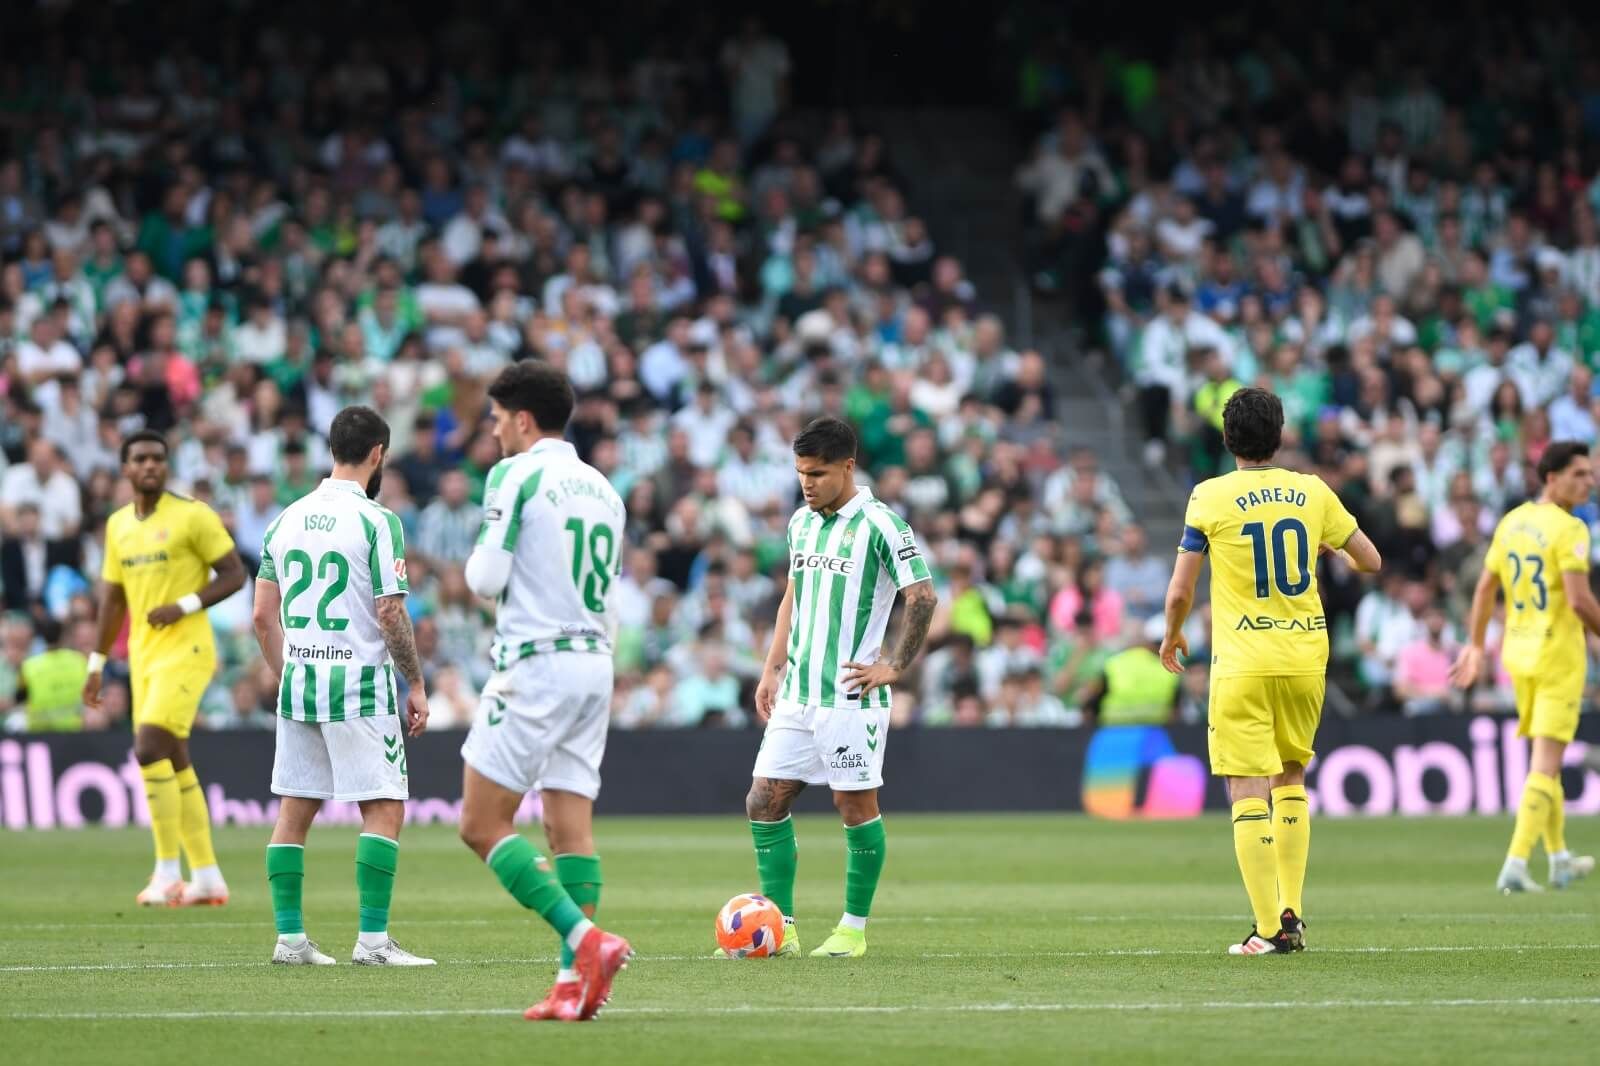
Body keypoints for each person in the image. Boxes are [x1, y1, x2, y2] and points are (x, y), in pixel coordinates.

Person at [1159, 387, 1381, 955]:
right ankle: (1292, 913)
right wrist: (1325, 547)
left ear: (1226, 438)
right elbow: (1371, 560)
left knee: (1245, 787)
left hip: (1243, 661)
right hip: (1305, 657)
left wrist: (1173, 632)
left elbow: (1181, 589)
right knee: (1291, 776)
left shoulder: (1209, 496)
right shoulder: (1313, 492)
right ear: (1280, 437)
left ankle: (1267, 929)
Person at [457, 361, 633, 1023]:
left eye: (498, 419)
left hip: (536, 664)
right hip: (594, 663)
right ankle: (572, 986)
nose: (494, 431)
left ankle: (587, 942)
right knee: (568, 828)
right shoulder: (604, 489)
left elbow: (484, 578)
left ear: (523, 420)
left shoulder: (515, 474)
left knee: (481, 824)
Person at [744, 415, 938, 959]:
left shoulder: (883, 525)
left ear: (848, 466)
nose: (806, 484)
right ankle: (779, 930)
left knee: (852, 805)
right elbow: (794, 593)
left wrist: (895, 666)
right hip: (798, 693)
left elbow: (922, 596)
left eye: (818, 474)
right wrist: (772, 666)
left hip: (850, 697)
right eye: (801, 473)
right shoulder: (800, 523)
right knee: (763, 801)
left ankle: (852, 930)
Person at [250, 405, 434, 966]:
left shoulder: (285, 520)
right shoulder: (377, 521)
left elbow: (261, 617)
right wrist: (416, 684)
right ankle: (373, 942)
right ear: (378, 453)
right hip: (359, 686)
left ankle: (290, 940)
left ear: (332, 449)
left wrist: (289, 672)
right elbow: (389, 611)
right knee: (384, 807)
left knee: (294, 810)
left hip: (300, 684)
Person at [84, 430, 247, 905]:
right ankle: (207, 877)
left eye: (157, 458)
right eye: (140, 459)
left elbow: (235, 573)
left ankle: (166, 872)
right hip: (144, 655)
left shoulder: (193, 515)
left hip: (188, 650)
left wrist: (184, 605)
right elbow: (112, 599)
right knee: (174, 758)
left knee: (149, 745)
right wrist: (96, 662)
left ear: (167, 465)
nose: (150, 465)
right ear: (125, 468)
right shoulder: (118, 525)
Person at [1450, 440, 1598, 892]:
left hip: (1518, 654)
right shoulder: (1570, 529)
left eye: (1590, 473)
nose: (1589, 481)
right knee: (1546, 762)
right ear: (1551, 478)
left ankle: (1558, 858)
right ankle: (1515, 863)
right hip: (1556, 657)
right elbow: (1580, 601)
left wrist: (1477, 645)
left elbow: (1484, 588)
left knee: (1545, 757)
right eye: (1578, 474)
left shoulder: (1512, 521)